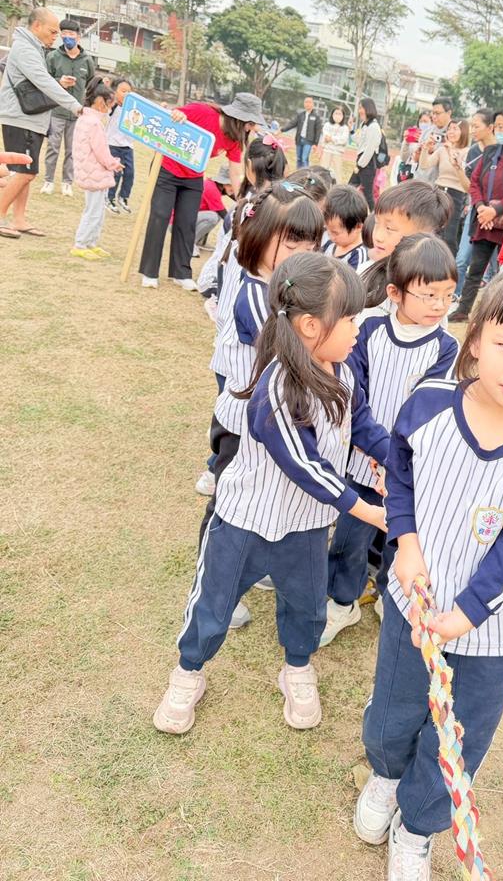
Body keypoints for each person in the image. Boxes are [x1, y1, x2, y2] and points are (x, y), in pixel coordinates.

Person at [354, 268, 503, 880]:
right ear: (475, 339)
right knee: (394, 708)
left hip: (489, 631)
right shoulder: (429, 403)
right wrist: (405, 543)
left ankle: (417, 824)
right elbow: (399, 472)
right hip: (413, 602)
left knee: (460, 734)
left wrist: (467, 614)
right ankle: (385, 775)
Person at [154, 254, 389, 735]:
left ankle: (297, 668)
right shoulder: (277, 388)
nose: (357, 328)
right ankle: (189, 670)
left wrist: (392, 461)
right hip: (245, 520)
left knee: (306, 605)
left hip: (306, 525)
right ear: (310, 326)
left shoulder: (343, 372)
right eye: (350, 319)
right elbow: (304, 464)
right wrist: (365, 509)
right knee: (214, 602)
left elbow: (362, 424)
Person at [323, 235, 460, 646]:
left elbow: (427, 409)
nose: (440, 305)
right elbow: (354, 393)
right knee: (350, 537)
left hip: (410, 467)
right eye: (429, 295)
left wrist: (396, 459)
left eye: (448, 295)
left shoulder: (447, 347)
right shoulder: (368, 330)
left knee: (400, 541)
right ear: (395, 293)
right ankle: (341, 602)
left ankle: (390, 596)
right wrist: (371, 447)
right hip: (362, 460)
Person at [198, 183, 324, 563]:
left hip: (262, 420)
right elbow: (290, 353)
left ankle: (245, 563)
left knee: (253, 495)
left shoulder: (277, 285)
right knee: (228, 501)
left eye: (311, 246)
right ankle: (212, 570)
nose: (303, 255)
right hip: (241, 423)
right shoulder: (255, 294)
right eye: (292, 244)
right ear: (261, 236)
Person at [195, 135, 288, 497]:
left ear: (249, 168)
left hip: (237, 329)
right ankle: (225, 464)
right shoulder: (287, 210)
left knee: (233, 397)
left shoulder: (245, 210)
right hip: (261, 323)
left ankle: (218, 467)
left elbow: (220, 261)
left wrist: (210, 291)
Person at [138, 92, 265, 290]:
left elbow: (235, 171)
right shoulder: (203, 112)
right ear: (238, 118)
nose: (251, 128)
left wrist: (241, 199)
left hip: (193, 177)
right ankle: (149, 272)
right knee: (159, 217)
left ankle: (181, 273)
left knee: (187, 222)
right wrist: (177, 115)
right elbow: (169, 116)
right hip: (167, 169)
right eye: (250, 123)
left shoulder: (234, 140)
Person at [0, 8, 83, 239]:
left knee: (24, 173)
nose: (56, 36)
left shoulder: (34, 48)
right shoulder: (25, 49)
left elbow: (39, 81)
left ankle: (19, 219)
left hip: (30, 120)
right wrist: (75, 106)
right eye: (53, 31)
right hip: (20, 119)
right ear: (37, 26)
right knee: (25, 173)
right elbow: (43, 82)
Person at [448, 106, 503, 323]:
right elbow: (474, 183)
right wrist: (481, 209)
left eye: (502, 127)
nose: (497, 131)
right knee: (475, 269)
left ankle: (499, 314)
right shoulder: (490, 152)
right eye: (496, 126)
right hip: (484, 220)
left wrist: (495, 210)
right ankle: (463, 310)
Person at [69, 78, 122, 261]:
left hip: (90, 172)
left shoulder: (85, 119)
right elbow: (101, 151)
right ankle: (81, 244)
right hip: (95, 173)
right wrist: (113, 164)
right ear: (100, 102)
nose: (110, 109)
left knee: (96, 210)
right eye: (110, 105)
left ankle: (91, 242)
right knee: (93, 211)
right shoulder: (94, 123)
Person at [42, 19, 96, 196]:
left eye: (71, 34)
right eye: (64, 34)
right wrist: (59, 82)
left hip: (77, 114)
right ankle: (48, 181)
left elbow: (91, 85)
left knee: (72, 150)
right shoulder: (53, 57)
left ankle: (67, 182)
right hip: (56, 111)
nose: (67, 37)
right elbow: (44, 80)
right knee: (53, 147)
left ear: (78, 37)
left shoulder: (87, 60)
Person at [456, 108, 495, 293]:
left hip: (497, 214)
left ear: (490, 127)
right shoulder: (473, 152)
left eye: (476, 126)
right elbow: (469, 187)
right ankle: (456, 296)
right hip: (475, 210)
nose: (472, 130)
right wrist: (458, 169)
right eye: (471, 126)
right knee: (461, 260)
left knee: (496, 264)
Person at [417, 119, 470, 254]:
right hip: (439, 190)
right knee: (434, 229)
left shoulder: (467, 152)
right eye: (449, 129)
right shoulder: (442, 150)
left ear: (463, 132)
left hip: (456, 195)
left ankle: (449, 261)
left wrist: (450, 149)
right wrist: (425, 148)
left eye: (455, 129)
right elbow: (424, 165)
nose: (451, 132)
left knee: (449, 235)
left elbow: (462, 170)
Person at [105, 77, 135, 213]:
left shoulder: (133, 108)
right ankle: (109, 198)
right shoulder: (113, 106)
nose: (126, 94)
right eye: (123, 91)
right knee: (115, 174)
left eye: (129, 92)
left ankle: (123, 197)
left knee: (129, 173)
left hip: (128, 146)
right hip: (113, 145)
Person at [322, 184, 370, 269]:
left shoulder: (359, 256)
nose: (331, 236)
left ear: (358, 227)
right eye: (327, 229)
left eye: (335, 233)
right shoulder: (330, 243)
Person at [349, 98, 383, 211]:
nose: (359, 111)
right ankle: (347, 210)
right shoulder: (365, 124)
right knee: (350, 188)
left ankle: (374, 215)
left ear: (368, 108)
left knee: (367, 194)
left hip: (367, 164)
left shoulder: (374, 127)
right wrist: (351, 130)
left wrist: (359, 166)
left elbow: (369, 150)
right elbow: (360, 141)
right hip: (362, 161)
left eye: (361, 108)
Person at [194, 164, 234, 256]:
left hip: (189, 217)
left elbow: (235, 197)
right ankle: (189, 243)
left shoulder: (214, 185)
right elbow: (224, 215)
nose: (233, 188)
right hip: (179, 222)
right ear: (224, 183)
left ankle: (199, 242)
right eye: (231, 184)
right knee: (213, 217)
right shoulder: (212, 189)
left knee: (215, 216)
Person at [413, 97, 453, 183]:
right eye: (433, 113)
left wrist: (434, 152)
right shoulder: (427, 131)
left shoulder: (454, 134)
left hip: (438, 185)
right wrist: (421, 152)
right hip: (419, 181)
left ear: (449, 113)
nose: (434, 117)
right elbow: (416, 159)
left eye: (438, 113)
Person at [282, 96, 322, 168]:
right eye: (306, 102)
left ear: (313, 104)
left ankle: (306, 173)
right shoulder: (300, 115)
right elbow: (292, 123)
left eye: (309, 102)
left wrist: (315, 143)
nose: (307, 104)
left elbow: (318, 131)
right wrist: (282, 130)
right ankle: (299, 172)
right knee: (299, 159)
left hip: (308, 141)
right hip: (299, 140)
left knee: (304, 159)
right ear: (304, 104)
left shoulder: (316, 117)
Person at [319, 106, 349, 182]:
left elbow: (343, 140)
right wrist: (336, 140)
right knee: (323, 172)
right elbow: (326, 137)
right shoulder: (327, 125)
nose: (337, 116)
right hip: (327, 151)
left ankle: (337, 188)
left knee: (337, 173)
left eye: (340, 114)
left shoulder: (345, 128)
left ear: (343, 116)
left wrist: (332, 139)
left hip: (338, 153)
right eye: (336, 113)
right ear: (332, 114)